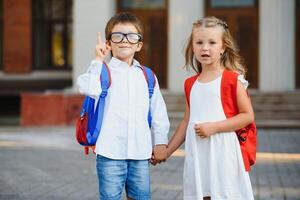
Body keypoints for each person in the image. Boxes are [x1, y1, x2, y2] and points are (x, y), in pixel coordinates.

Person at [153, 16, 255, 200]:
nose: (204, 48)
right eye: (199, 42)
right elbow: (186, 121)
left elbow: (247, 116)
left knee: (225, 194)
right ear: (193, 46)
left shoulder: (232, 80)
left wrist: (214, 127)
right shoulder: (190, 84)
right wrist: (167, 151)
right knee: (203, 194)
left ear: (223, 47)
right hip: (198, 153)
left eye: (212, 42)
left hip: (223, 152)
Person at [77, 12, 169, 200]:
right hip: (109, 153)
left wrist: (160, 142)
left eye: (131, 36)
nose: (125, 40)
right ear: (109, 44)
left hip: (140, 154)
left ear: (139, 44)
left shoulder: (147, 76)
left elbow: (158, 112)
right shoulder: (102, 71)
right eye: (118, 36)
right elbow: (87, 87)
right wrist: (97, 60)